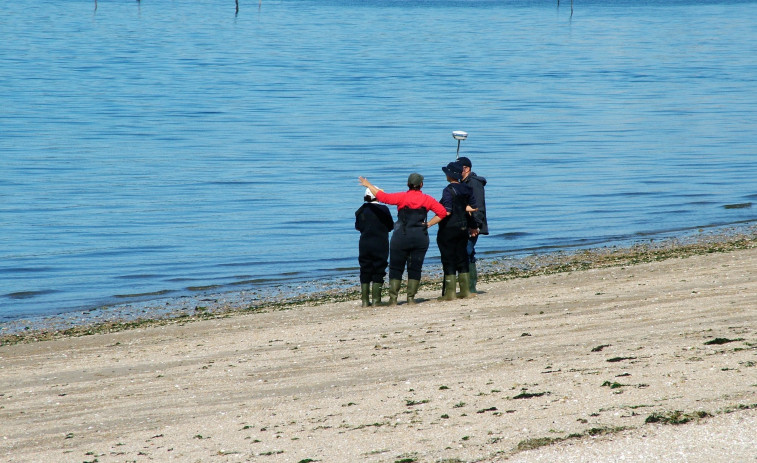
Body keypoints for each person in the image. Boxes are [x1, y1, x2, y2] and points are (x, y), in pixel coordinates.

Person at [359, 173, 447, 305]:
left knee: (396, 268)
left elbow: (383, 197)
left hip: (401, 237)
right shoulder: (427, 199)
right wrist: (429, 224)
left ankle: (393, 300)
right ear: (421, 185)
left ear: (408, 184)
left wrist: (368, 184)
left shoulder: (402, 197)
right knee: (415, 268)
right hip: (420, 237)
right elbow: (442, 213)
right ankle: (410, 299)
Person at [436, 161, 478, 300]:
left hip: (448, 228)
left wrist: (431, 222)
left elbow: (447, 211)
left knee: (448, 258)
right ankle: (465, 291)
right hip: (463, 227)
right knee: (462, 257)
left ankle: (450, 293)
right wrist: (472, 225)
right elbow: (473, 208)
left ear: (449, 175)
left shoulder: (448, 190)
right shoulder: (467, 188)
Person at [355, 188, 394, 307]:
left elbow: (358, 227)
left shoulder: (361, 210)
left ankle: (365, 301)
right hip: (380, 242)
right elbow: (390, 226)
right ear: (378, 196)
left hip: (365, 243)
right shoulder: (384, 209)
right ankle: (376, 300)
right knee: (379, 267)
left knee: (365, 268)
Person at [459, 156, 488, 293]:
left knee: (467, 251)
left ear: (467, 169)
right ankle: (468, 287)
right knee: (467, 252)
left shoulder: (474, 183)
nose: (457, 171)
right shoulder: (464, 182)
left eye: (460, 168)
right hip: (465, 224)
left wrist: (475, 225)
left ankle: (469, 288)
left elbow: (478, 206)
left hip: (472, 225)